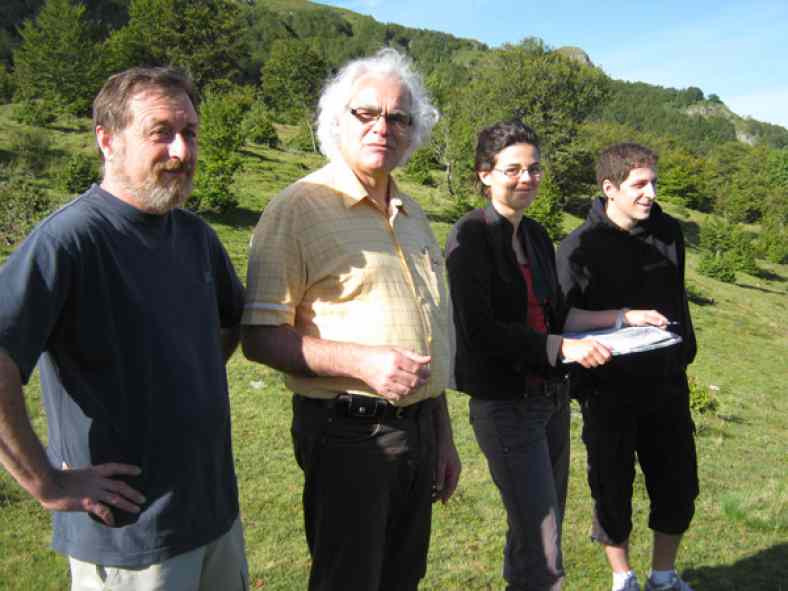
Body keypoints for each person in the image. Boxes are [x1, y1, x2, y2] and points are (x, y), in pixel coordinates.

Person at [0, 66, 248, 589]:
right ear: (107, 140)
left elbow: (228, 328)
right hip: (131, 538)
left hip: (214, 517)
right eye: (162, 133)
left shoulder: (195, 236)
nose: (182, 151)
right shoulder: (69, 241)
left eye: (191, 133)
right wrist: (46, 483)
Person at [241, 48, 460, 591]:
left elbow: (428, 333)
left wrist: (443, 435)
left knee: (401, 578)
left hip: (418, 431)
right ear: (337, 120)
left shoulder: (413, 216)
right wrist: (361, 361)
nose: (382, 126)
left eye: (398, 116)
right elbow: (261, 337)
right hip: (350, 435)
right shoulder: (298, 206)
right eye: (366, 113)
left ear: (414, 131)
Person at [446, 121, 669, 591]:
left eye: (534, 169)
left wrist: (626, 317)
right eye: (513, 170)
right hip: (507, 405)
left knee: (536, 529)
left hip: (550, 402)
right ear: (484, 174)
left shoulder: (536, 236)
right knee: (543, 539)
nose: (526, 178)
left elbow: (559, 315)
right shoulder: (468, 238)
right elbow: (479, 331)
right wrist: (561, 347)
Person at [556, 143, 699, 591]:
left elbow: (677, 299)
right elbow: (561, 319)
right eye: (639, 184)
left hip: (667, 385)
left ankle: (663, 576)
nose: (650, 193)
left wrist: (681, 354)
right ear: (608, 188)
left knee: (678, 484)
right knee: (611, 488)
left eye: (654, 182)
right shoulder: (579, 248)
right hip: (607, 391)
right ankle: (624, 578)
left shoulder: (669, 232)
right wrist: (622, 319)